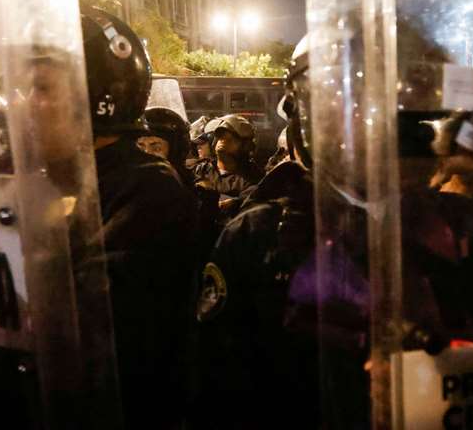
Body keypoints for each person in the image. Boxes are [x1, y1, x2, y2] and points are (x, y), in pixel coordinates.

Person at [191, 37, 370, 430]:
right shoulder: (257, 236)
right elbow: (220, 380)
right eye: (339, 104)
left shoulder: (448, 230)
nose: (360, 123)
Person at [51, 9, 198, 430]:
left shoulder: (148, 192)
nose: (20, 101)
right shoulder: (50, 181)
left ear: (96, 94)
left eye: (41, 86)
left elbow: (91, 325)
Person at [192, 114, 264, 220]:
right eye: (221, 136)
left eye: (231, 138)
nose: (223, 140)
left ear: (246, 146)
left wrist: (235, 203)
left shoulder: (254, 177)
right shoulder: (200, 170)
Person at [137, 106, 195, 190]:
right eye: (140, 148)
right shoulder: (123, 191)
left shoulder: (197, 193)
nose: (146, 154)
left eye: (156, 149)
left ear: (175, 152)